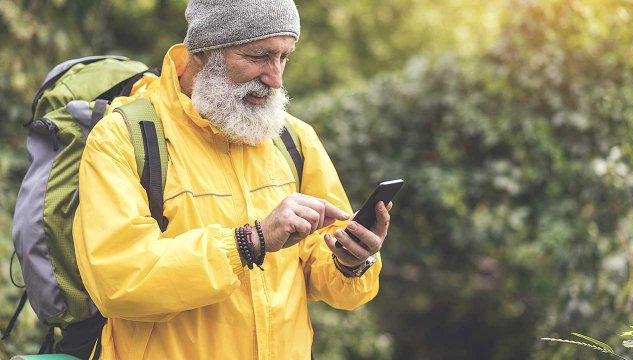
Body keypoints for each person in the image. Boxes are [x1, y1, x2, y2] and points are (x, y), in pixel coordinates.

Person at [72, 0, 393, 358]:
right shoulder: (121, 138)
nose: (276, 79)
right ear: (203, 52)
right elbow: (118, 282)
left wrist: (350, 262)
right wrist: (248, 243)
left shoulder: (294, 138)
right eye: (259, 56)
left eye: (284, 57)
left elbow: (330, 281)